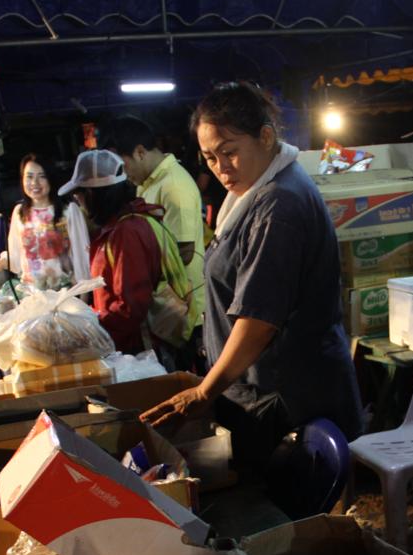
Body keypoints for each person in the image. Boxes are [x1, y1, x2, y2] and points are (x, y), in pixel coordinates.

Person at [142, 81, 363, 466]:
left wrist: (204, 392)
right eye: (210, 158)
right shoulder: (252, 193)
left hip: (284, 397)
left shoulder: (278, 206)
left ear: (265, 137)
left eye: (230, 152)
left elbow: (259, 321)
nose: (221, 168)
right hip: (263, 388)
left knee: (282, 509)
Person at [105, 116, 207, 345]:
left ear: (140, 152)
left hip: (185, 311)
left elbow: (185, 251)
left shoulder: (174, 186)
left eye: (122, 165)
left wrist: (137, 268)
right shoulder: (147, 183)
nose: (122, 174)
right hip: (167, 308)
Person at [60, 149, 162, 355]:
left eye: (77, 194)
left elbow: (130, 308)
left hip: (137, 352)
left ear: (91, 194)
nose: (77, 201)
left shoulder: (127, 232)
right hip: (122, 346)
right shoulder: (115, 229)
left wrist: (89, 331)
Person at [7, 153, 92, 291]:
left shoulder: (69, 211)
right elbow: (15, 258)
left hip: (64, 293)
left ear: (51, 179)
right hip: (31, 294)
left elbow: (82, 256)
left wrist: (83, 296)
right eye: (29, 177)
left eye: (42, 176)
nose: (34, 183)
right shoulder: (19, 213)